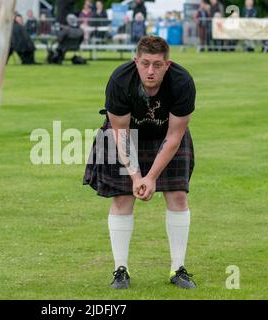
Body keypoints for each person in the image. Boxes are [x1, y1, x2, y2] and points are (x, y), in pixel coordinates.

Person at [83, 36, 197, 289]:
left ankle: (178, 269)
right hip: (124, 136)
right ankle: (119, 270)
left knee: (178, 195)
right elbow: (120, 133)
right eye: (145, 63)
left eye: (157, 65)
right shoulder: (120, 80)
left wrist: (152, 176)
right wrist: (136, 177)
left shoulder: (182, 82)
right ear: (136, 61)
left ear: (168, 64)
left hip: (165, 138)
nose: (150, 71)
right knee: (123, 197)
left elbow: (175, 136)